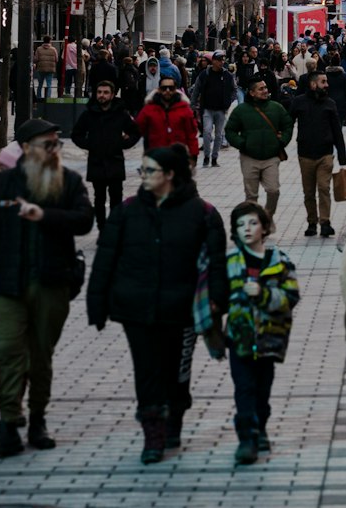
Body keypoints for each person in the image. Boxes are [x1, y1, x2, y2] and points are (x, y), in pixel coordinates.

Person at [87, 143, 227, 462]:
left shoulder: (203, 213)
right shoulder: (127, 210)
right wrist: (97, 304)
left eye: (150, 170)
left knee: (176, 371)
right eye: (143, 170)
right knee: (147, 371)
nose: (143, 176)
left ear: (170, 175)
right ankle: (153, 432)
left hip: (182, 310)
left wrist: (218, 301)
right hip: (137, 308)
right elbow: (106, 259)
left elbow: (215, 264)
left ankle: (174, 416)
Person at [0, 118, 94, 456]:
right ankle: (8, 423)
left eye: (57, 144)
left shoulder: (68, 181)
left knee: (41, 356)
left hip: (52, 284)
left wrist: (46, 216)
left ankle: (37, 418)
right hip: (8, 285)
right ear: (25, 149)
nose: (54, 151)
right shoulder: (2, 184)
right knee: (10, 352)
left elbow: (85, 220)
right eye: (47, 144)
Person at [225, 200, 300, 464]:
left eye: (253, 223)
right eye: (240, 224)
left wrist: (265, 294)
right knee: (243, 387)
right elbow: (219, 296)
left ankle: (261, 426)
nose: (247, 229)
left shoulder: (279, 261)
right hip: (239, 337)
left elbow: (291, 296)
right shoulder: (230, 262)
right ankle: (247, 438)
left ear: (265, 228)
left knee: (262, 388)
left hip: (270, 338)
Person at [70, 80, 141, 232]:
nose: (102, 95)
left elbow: (135, 132)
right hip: (96, 161)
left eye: (105, 92)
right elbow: (76, 134)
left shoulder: (120, 114)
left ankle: (115, 230)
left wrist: (123, 144)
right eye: (99, 92)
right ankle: (103, 229)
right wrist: (89, 144)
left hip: (115, 161)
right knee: (99, 199)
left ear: (112, 95)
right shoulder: (89, 113)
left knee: (116, 199)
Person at [290, 69, 346, 238]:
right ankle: (311, 222)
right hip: (305, 154)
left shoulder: (330, 103)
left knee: (323, 188)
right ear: (313, 84)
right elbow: (288, 122)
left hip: (325, 154)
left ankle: (325, 222)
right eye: (323, 82)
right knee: (308, 192)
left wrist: (342, 155)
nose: (327, 85)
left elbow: (337, 130)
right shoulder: (299, 102)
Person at [226, 75, 294, 217]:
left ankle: (267, 218)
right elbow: (230, 130)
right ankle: (254, 223)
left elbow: (288, 125)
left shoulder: (276, 108)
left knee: (273, 190)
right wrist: (242, 144)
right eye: (261, 89)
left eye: (265, 88)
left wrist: (282, 142)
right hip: (249, 157)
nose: (265, 91)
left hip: (271, 157)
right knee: (251, 196)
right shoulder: (241, 110)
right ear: (251, 93)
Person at [134, 76, 200, 162]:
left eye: (171, 88)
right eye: (164, 88)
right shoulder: (149, 109)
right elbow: (137, 129)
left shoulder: (184, 109)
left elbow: (191, 134)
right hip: (156, 159)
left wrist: (194, 155)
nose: (167, 91)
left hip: (178, 159)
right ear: (159, 89)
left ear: (176, 89)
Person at [190, 52, 237, 167]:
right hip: (207, 109)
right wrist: (192, 106)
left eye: (223, 60)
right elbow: (196, 90)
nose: (222, 62)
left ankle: (214, 158)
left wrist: (228, 101)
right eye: (220, 60)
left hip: (221, 110)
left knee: (219, 135)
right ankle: (206, 156)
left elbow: (234, 90)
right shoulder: (205, 74)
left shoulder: (227, 75)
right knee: (206, 132)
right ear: (214, 61)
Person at [32, 37, 58, 101]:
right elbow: (56, 59)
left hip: (41, 68)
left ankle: (39, 97)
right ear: (50, 41)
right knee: (49, 84)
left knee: (40, 84)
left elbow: (36, 59)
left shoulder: (39, 49)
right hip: (50, 69)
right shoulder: (53, 49)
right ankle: (48, 98)